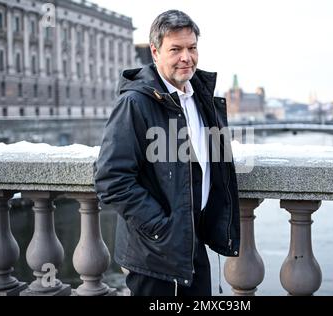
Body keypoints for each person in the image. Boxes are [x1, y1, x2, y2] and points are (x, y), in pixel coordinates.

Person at [94, 9, 240, 296]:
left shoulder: (201, 98)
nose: (186, 57)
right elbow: (111, 179)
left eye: (192, 48)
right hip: (155, 254)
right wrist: (162, 229)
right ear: (155, 51)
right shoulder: (135, 103)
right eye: (176, 49)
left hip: (193, 243)